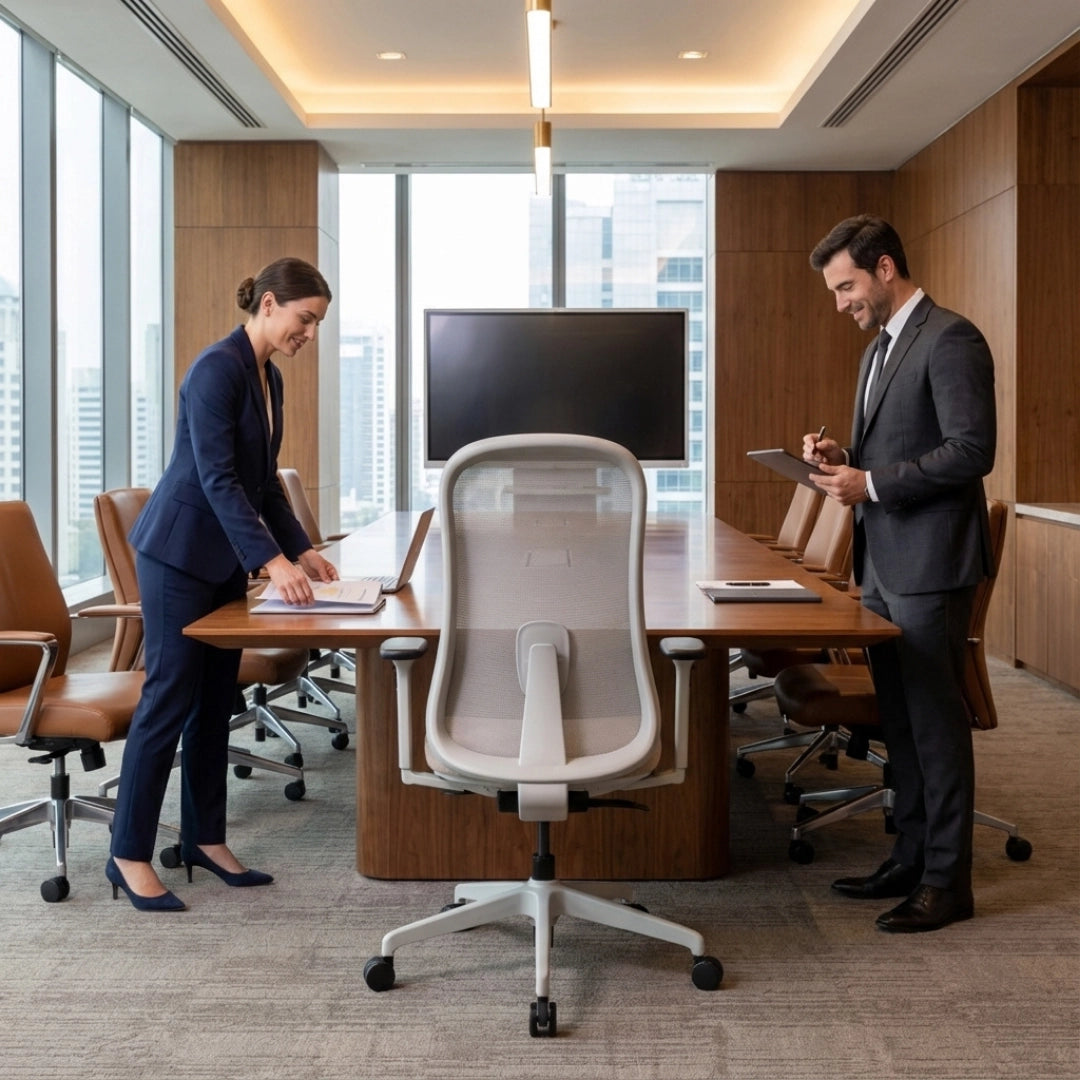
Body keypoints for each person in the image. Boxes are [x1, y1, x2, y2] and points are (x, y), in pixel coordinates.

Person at [106, 257, 339, 911]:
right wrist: (273, 564)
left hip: (220, 562)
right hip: (179, 556)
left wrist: (303, 550)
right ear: (269, 304)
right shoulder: (216, 369)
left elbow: (264, 482)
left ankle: (205, 840)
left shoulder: (268, 378)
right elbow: (217, 479)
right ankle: (128, 854)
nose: (309, 334)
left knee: (215, 704)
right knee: (169, 699)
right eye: (305, 319)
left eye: (317, 323)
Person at [803, 215, 996, 933]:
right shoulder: (879, 350)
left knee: (936, 724)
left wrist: (873, 484)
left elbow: (971, 450)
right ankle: (910, 857)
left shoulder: (951, 338)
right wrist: (838, 457)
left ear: (886, 269)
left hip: (931, 561)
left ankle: (948, 881)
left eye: (846, 285)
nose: (841, 302)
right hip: (883, 562)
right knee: (901, 722)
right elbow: (891, 446)